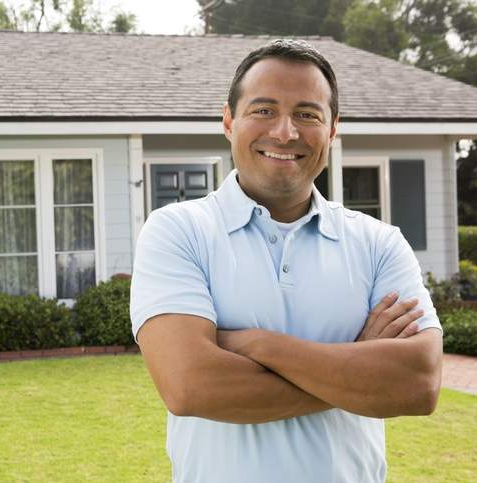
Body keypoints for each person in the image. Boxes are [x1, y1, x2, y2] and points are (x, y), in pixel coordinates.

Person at [130, 39, 442, 483]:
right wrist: (357, 370)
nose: (285, 132)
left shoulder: (379, 243)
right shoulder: (178, 231)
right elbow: (190, 386)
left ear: (332, 129)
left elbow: (419, 385)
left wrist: (259, 345)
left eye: (307, 114)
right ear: (228, 120)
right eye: (263, 110)